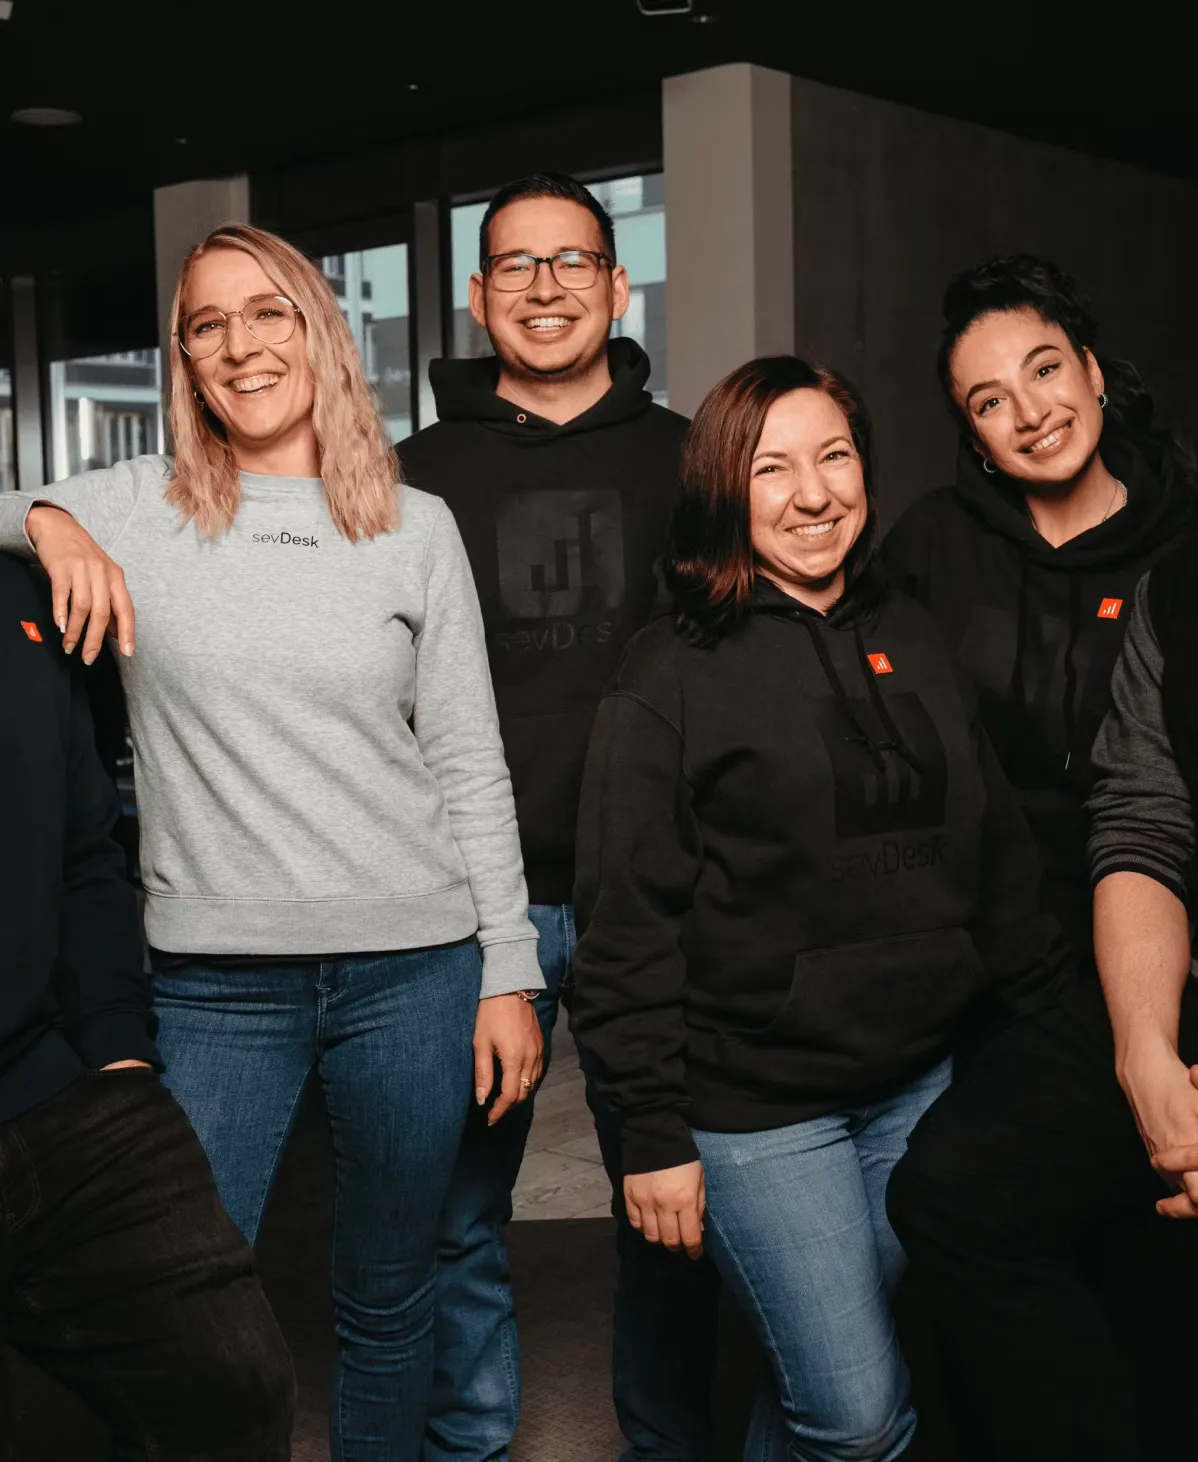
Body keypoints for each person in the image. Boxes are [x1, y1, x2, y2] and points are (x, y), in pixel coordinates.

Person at [0, 223, 543, 1462]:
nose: (239, 345)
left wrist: (508, 969)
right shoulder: (136, 506)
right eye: (207, 324)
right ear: (185, 359)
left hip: (416, 968)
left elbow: (468, 763)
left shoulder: (415, 525)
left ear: (317, 331)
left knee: (391, 1297)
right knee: (184, 1309)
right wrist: (50, 518)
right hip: (212, 984)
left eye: (266, 314)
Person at [568, 355, 1072, 1462]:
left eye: (834, 457)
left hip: (922, 1087)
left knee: (829, 1375)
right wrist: (650, 1134)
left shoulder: (916, 632)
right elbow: (624, 929)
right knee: (855, 1415)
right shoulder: (669, 675)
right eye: (772, 468)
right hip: (756, 1108)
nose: (812, 494)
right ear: (722, 489)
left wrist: (1064, 1044)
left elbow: (998, 861)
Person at [397, 172, 720, 1462]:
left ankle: (668, 1442)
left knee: (673, 1199)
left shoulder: (693, 458)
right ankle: (469, 1444)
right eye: (517, 266)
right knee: (454, 1213)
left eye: (571, 260)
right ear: (478, 297)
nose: (545, 286)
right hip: (480, 901)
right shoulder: (410, 477)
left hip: (666, 895)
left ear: (616, 283)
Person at [884, 256, 1198, 1461]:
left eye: (1045, 370)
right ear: (969, 433)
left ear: (1095, 372)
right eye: (988, 399)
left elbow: (1150, 806)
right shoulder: (931, 545)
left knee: (1144, 1267)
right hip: (989, 961)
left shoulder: (1185, 546)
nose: (1029, 411)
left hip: (1153, 948)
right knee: (970, 1238)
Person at [0, 553, 293, 1460]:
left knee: (235, 1386)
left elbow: (85, 850)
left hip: (54, 1086)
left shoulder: (22, 597)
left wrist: (118, 1050)